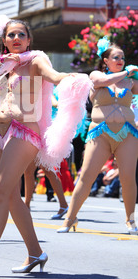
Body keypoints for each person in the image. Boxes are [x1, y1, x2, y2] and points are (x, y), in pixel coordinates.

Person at [0, 15, 90, 278]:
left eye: (21, 34)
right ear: (4, 40)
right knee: (9, 196)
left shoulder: (36, 60)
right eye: (11, 35)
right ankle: (36, 252)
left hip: (25, 131)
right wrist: (3, 60)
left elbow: (53, 75)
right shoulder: (4, 66)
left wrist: (69, 78)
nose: (16, 39)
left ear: (29, 39)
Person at [58, 38, 138, 235]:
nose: (120, 60)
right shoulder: (96, 75)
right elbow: (102, 82)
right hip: (100, 133)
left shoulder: (130, 82)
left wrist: (131, 76)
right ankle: (70, 218)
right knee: (86, 176)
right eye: (115, 57)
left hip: (127, 133)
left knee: (128, 177)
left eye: (122, 58)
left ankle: (130, 219)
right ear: (105, 61)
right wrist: (127, 71)